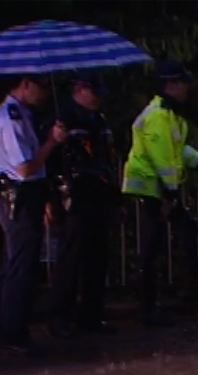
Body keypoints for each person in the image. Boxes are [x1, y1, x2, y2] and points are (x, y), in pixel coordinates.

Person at [121, 61, 198, 326]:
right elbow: (162, 157)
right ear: (171, 85)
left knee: (180, 235)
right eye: (183, 83)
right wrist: (171, 193)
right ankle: (148, 306)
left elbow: (178, 149)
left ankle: (184, 294)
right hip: (150, 188)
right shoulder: (157, 116)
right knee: (151, 247)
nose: (187, 89)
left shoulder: (170, 115)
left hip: (161, 188)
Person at [46, 72, 118, 338]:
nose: (98, 99)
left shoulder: (98, 119)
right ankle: (60, 316)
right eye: (94, 93)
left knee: (97, 256)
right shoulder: (63, 118)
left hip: (97, 192)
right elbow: (52, 162)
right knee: (71, 257)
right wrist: (52, 199)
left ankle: (91, 315)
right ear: (80, 90)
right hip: (73, 195)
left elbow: (106, 155)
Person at [0, 74, 67, 354]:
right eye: (40, 86)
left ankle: (16, 326)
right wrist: (52, 142)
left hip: (28, 194)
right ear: (25, 84)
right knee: (22, 263)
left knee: (24, 261)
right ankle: (12, 331)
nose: (44, 93)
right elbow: (25, 167)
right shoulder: (11, 116)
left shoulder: (22, 113)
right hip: (20, 194)